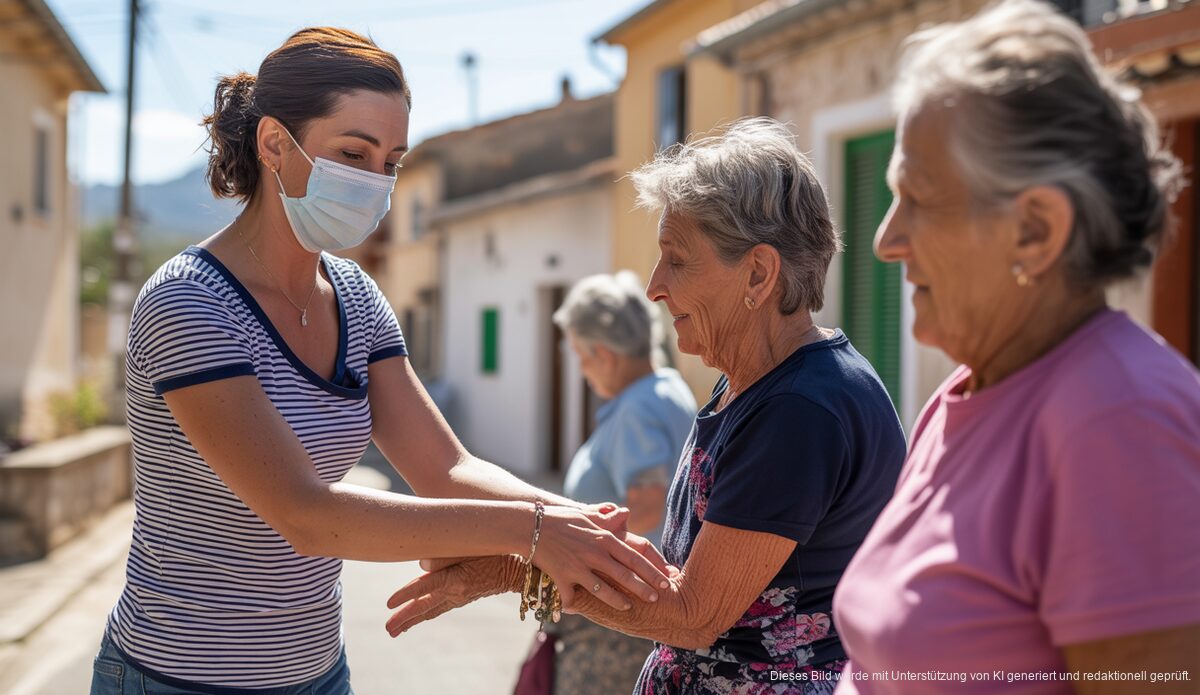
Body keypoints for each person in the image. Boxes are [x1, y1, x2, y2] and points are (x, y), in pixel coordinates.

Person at [89, 27, 669, 695]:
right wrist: (534, 529)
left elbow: (447, 469)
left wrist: (585, 528)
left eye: (391, 162)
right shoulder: (189, 303)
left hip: (317, 675)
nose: (375, 183)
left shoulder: (356, 299)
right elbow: (304, 514)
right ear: (274, 143)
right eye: (352, 154)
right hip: (176, 678)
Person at [386, 117, 908, 694]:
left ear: (758, 273)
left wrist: (513, 570)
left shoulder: (800, 410)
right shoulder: (757, 385)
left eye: (677, 260)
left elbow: (692, 613)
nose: (655, 286)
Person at [830, 2, 1200, 694]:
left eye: (917, 198)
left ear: (1036, 229)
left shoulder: (1118, 419)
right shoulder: (963, 393)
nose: (885, 240)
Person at [545, 271, 697, 694]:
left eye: (582, 356)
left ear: (605, 354)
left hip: (618, 616)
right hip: (642, 604)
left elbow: (647, 506)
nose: (583, 370)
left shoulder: (637, 410)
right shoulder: (668, 388)